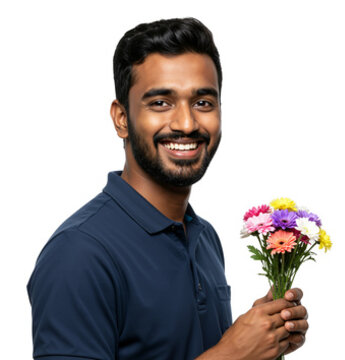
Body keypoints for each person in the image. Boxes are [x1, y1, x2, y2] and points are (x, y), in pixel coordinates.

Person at [27, 18, 308, 359]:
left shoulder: (205, 238)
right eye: (161, 103)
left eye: (203, 102)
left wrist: (263, 339)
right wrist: (232, 354)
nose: (186, 123)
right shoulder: (80, 253)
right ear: (121, 118)